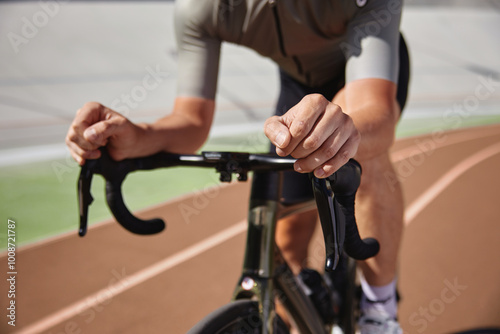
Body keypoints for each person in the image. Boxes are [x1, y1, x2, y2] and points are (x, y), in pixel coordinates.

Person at [66, 0, 409, 332]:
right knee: (286, 247)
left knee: (362, 156)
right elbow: (191, 120)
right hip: (298, 85)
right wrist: (139, 137)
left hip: (367, 76)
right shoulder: (201, 7)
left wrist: (349, 135)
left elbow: (376, 112)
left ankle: (380, 312)